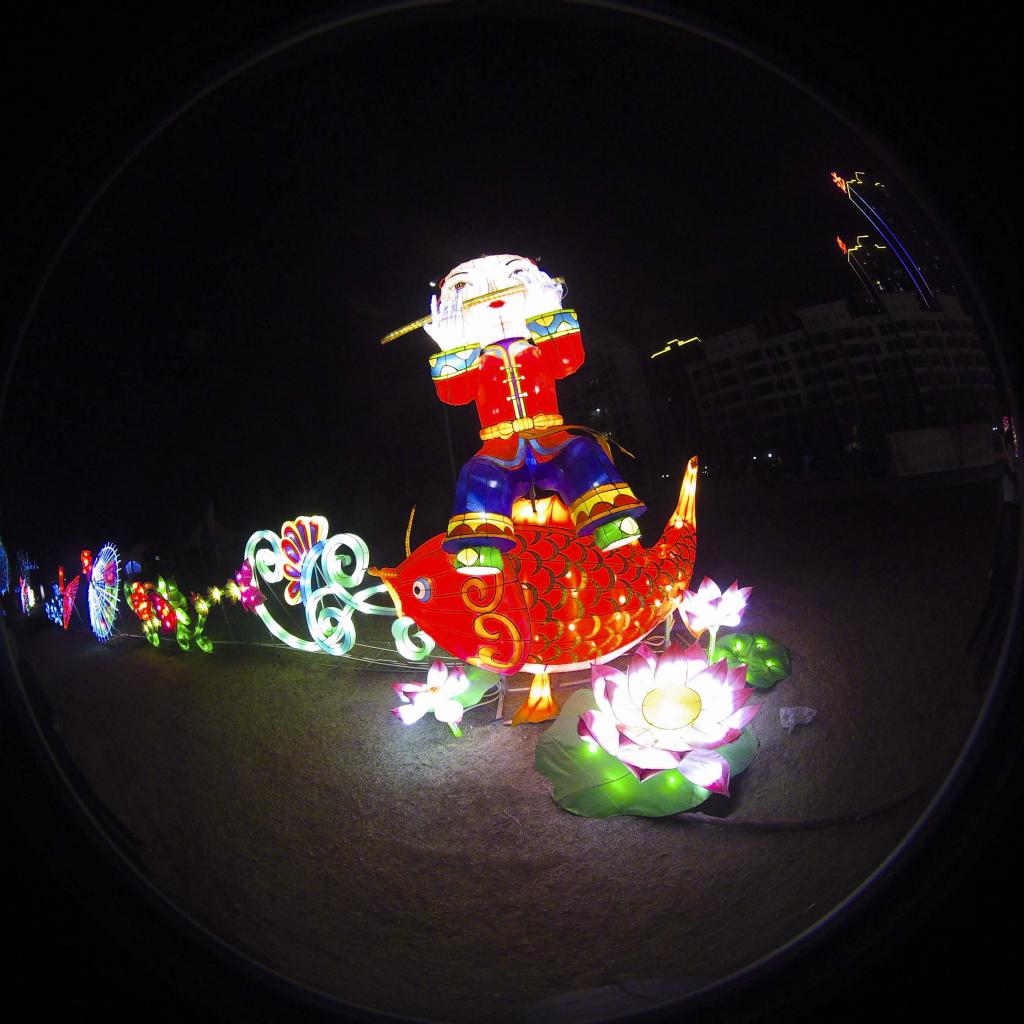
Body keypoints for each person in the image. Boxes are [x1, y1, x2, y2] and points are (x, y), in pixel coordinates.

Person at [424, 254, 645, 575]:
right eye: (463, 287)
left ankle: (611, 520)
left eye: (514, 274)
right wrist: (453, 347)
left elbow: (567, 362)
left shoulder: (536, 349)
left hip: (552, 437)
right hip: (499, 447)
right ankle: (481, 546)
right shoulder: (478, 361)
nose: (494, 295)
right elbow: (455, 394)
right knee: (478, 474)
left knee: (581, 452)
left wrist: (549, 313)